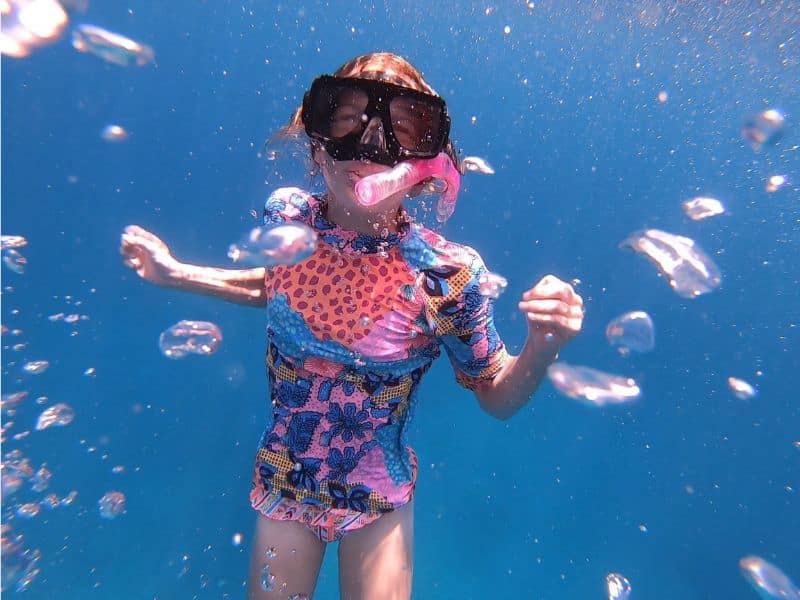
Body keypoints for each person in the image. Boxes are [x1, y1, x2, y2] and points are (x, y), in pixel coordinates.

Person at [120, 52, 584, 600]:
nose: (368, 145)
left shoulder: (445, 274)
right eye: (344, 117)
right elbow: (279, 290)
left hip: (376, 498)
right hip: (286, 479)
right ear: (315, 137)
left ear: (426, 166)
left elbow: (495, 394)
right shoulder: (290, 218)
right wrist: (176, 274)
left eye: (404, 128)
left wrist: (543, 346)